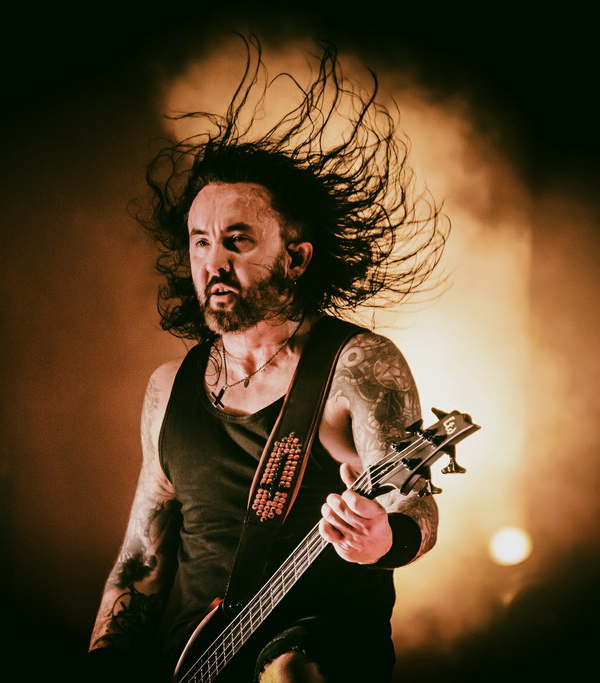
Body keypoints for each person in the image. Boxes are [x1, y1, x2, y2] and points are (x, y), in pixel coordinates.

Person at [88, 36, 449, 682]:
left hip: (320, 647)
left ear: (296, 257)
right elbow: (141, 561)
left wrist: (383, 538)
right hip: (196, 660)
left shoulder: (356, 365)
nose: (213, 263)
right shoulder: (169, 387)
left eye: (237, 241)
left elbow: (416, 507)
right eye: (201, 242)